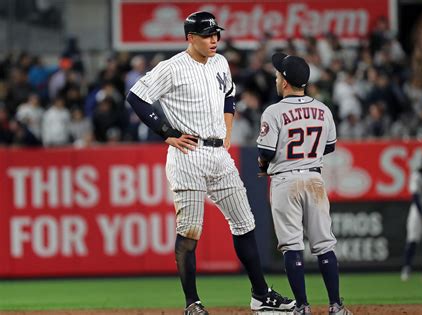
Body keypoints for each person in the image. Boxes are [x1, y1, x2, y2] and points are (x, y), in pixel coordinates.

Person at [126, 11, 295, 315]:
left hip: (219, 155)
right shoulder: (172, 67)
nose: (214, 39)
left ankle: (261, 293)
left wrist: (228, 129)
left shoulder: (220, 62)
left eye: (216, 34)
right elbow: (136, 96)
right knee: (189, 231)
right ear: (191, 38)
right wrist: (167, 133)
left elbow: (229, 95)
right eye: (207, 35)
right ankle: (193, 303)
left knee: (245, 223)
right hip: (188, 154)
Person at [256, 52, 352, 315]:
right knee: (324, 244)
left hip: (285, 180)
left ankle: (302, 307)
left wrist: (263, 165)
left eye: (278, 74)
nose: (276, 77)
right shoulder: (323, 109)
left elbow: (265, 152)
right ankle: (336, 306)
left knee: (292, 245)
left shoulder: (274, 111)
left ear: (285, 81)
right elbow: (329, 146)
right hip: (314, 178)